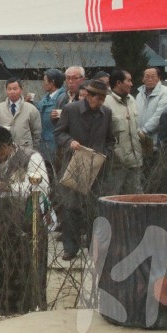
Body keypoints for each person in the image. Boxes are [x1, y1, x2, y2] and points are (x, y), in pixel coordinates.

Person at [0, 125, 50, 316]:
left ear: (6, 145)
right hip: (3, 223)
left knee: (28, 267)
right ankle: (7, 309)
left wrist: (10, 188)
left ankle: (31, 308)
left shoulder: (31, 157)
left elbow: (42, 188)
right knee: (4, 268)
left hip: (28, 222)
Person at [54, 80, 115, 261]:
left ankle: (93, 246)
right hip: (74, 162)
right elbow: (59, 133)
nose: (101, 101)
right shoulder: (71, 110)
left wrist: (105, 154)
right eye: (98, 98)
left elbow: (111, 139)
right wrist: (69, 142)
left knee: (94, 208)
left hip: (96, 166)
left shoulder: (106, 113)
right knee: (71, 207)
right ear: (88, 95)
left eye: (104, 98)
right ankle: (70, 247)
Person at [104, 69, 143, 195]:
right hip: (116, 163)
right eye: (128, 80)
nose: (131, 84)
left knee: (136, 195)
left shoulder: (131, 100)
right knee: (113, 196)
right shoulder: (106, 102)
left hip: (135, 159)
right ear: (118, 83)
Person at [0, 78, 41, 151]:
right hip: (4, 151)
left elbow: (36, 133)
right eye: (9, 89)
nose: (12, 92)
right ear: (6, 91)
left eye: (15, 89)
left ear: (21, 90)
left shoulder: (31, 109)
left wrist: (34, 151)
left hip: (25, 150)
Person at [35, 68, 66, 167]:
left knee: (54, 171)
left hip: (55, 143)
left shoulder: (63, 98)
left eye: (45, 81)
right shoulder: (46, 97)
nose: (43, 84)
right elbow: (40, 110)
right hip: (44, 142)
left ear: (52, 82)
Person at [135, 67, 167, 147]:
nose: (150, 79)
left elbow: (159, 115)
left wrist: (144, 131)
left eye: (153, 76)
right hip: (140, 140)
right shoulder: (139, 95)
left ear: (159, 78)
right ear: (143, 79)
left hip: (157, 141)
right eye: (147, 76)